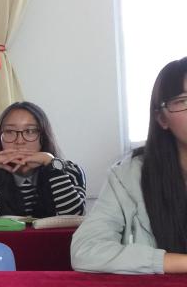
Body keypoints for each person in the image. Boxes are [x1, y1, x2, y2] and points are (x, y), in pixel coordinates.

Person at [71, 58, 187, 274]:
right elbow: (85, 250)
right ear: (162, 118)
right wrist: (175, 263)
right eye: (183, 100)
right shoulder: (128, 175)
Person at [0, 101, 86, 219]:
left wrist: (50, 162)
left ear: (43, 136)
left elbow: (74, 217)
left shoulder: (70, 171)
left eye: (30, 131)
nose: (19, 141)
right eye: (9, 131)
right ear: (0, 137)